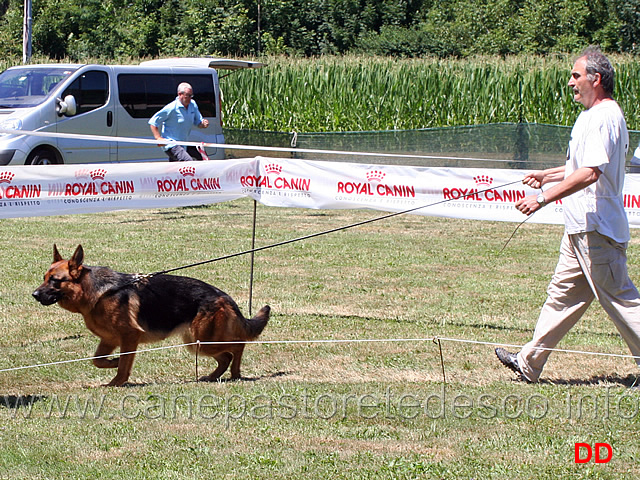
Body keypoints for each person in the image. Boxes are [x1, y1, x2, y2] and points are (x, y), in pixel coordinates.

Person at [495, 46, 640, 383]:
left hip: (596, 227)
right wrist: (549, 174)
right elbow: (581, 166)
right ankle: (528, 363)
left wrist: (542, 198)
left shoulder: (604, 116)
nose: (571, 82)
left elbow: (591, 173)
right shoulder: (592, 115)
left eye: (576, 76)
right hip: (580, 226)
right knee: (561, 297)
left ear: (596, 79)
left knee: (621, 300)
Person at [149, 82, 209, 161]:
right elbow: (153, 121)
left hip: (184, 144)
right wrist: (158, 138)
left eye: (191, 95)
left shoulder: (192, 104)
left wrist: (204, 123)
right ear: (180, 94)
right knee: (188, 162)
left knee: (200, 158)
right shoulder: (171, 107)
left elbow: (198, 122)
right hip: (171, 144)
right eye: (188, 95)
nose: (190, 98)